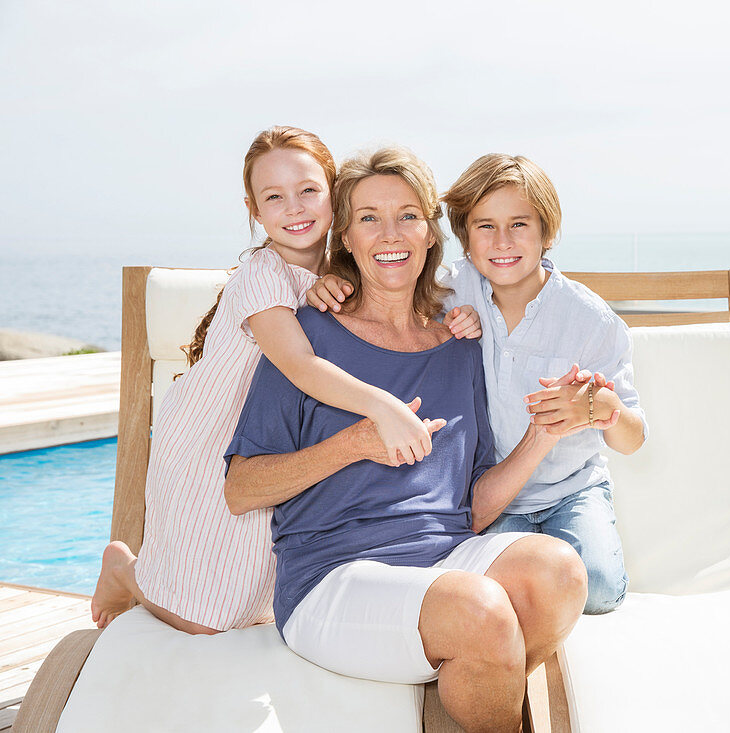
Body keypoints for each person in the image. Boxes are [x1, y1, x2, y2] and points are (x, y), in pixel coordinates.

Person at [224, 146, 587, 733]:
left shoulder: (459, 345)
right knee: (479, 611)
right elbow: (240, 489)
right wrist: (356, 443)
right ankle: (475, 675)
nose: (389, 233)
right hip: (333, 578)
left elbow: (472, 508)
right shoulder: (307, 338)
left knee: (560, 570)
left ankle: (469, 680)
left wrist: (542, 436)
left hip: (445, 559)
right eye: (368, 217)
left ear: (429, 233)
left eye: (407, 215)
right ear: (345, 236)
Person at [89, 127, 481, 634]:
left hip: (268, 434)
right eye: (274, 197)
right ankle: (125, 571)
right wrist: (384, 408)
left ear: (334, 197)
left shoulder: (332, 274)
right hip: (207, 437)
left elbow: (414, 280)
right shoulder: (264, 277)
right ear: (253, 210)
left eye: (308, 191)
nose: (294, 208)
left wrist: (459, 314)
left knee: (253, 594)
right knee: (208, 618)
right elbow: (300, 366)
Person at [308, 153, 647, 614]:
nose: (502, 241)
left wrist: (601, 405)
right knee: (506, 589)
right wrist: (330, 282)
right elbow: (387, 290)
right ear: (464, 238)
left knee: (600, 590)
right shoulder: (450, 293)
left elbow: (632, 438)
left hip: (572, 488)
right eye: (485, 226)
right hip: (490, 492)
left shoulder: (591, 320)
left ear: (546, 232)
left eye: (520, 225)